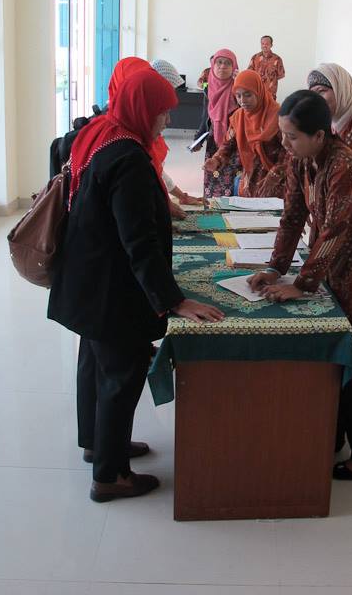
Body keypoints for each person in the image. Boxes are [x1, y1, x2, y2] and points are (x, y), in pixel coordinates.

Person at [48, 69, 224, 502]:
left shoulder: (100, 132)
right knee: (121, 376)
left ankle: (98, 444)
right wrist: (172, 301)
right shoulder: (128, 159)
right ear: (142, 109)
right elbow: (139, 242)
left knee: (95, 365)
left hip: (87, 276)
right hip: (110, 288)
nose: (167, 121)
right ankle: (110, 477)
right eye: (162, 113)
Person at [248, 89, 352, 480]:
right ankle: (332, 434)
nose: (285, 144)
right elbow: (292, 216)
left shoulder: (344, 167)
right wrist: (275, 267)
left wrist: (301, 284)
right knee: (335, 358)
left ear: (319, 135)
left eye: (292, 136)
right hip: (335, 264)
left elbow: (336, 230)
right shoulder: (302, 160)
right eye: (283, 135)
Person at [203, 69, 287, 198]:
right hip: (249, 180)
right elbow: (228, 144)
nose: (242, 100)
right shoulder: (238, 117)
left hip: (276, 182)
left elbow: (289, 151)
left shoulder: (279, 116)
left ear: (259, 92)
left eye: (248, 95)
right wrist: (216, 160)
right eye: (238, 96)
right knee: (248, 209)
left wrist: (275, 174)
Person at [150, 59, 205, 215]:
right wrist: (165, 205)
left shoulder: (148, 134)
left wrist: (182, 197)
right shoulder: (130, 142)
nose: (168, 121)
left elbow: (157, 171)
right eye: (163, 113)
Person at [192, 49, 241, 199]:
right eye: (219, 62)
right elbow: (206, 115)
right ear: (213, 65)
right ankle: (212, 206)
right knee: (212, 172)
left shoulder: (238, 87)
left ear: (234, 67)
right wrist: (198, 138)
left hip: (235, 139)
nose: (222, 66)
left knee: (234, 178)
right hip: (214, 138)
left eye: (227, 63)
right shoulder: (209, 88)